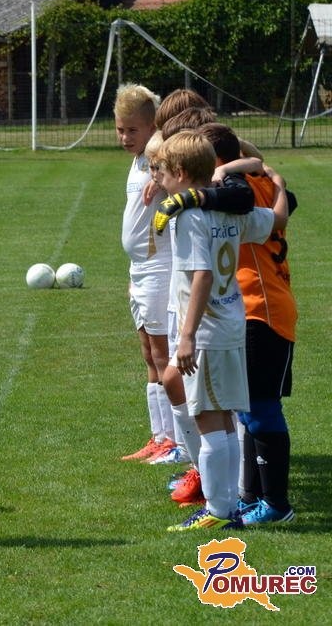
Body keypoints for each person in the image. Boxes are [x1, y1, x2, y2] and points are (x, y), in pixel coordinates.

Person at [155, 130, 288, 531]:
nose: (158, 177)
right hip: (233, 325)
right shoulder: (229, 209)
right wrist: (279, 184)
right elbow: (277, 219)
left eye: (162, 170)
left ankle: (217, 511)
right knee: (226, 420)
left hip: (207, 332)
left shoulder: (190, 217)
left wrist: (186, 336)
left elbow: (202, 275)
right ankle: (228, 505)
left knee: (208, 419)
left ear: (181, 173)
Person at [197, 123, 298, 526]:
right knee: (249, 409)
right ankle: (254, 498)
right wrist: (258, 168)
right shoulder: (260, 182)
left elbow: (238, 190)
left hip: (263, 311)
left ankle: (276, 505)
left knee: (261, 408)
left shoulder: (237, 190)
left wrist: (222, 173)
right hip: (260, 308)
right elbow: (264, 170)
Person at [113, 84, 177, 464]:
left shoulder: (160, 153)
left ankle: (175, 440)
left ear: (151, 126)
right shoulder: (139, 159)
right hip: (139, 269)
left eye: (132, 130)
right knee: (149, 356)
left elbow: (178, 133)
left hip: (159, 268)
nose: (125, 137)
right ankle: (159, 436)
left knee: (163, 355)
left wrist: (160, 169)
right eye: (120, 129)